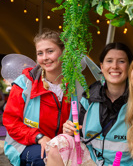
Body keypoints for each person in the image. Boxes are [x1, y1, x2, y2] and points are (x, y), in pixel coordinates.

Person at [45, 42, 133, 166]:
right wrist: (69, 130)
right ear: (102, 66)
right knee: (59, 143)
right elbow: (76, 133)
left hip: (125, 163)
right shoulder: (89, 97)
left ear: (130, 66)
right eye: (109, 61)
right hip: (92, 161)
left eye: (121, 61)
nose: (114, 66)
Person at [3, 29, 79, 166]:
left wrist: (74, 128)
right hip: (24, 142)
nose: (45, 57)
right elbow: (10, 122)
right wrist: (39, 137)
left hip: (61, 144)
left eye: (50, 51)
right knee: (44, 157)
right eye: (40, 53)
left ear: (64, 53)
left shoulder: (76, 87)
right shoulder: (24, 83)